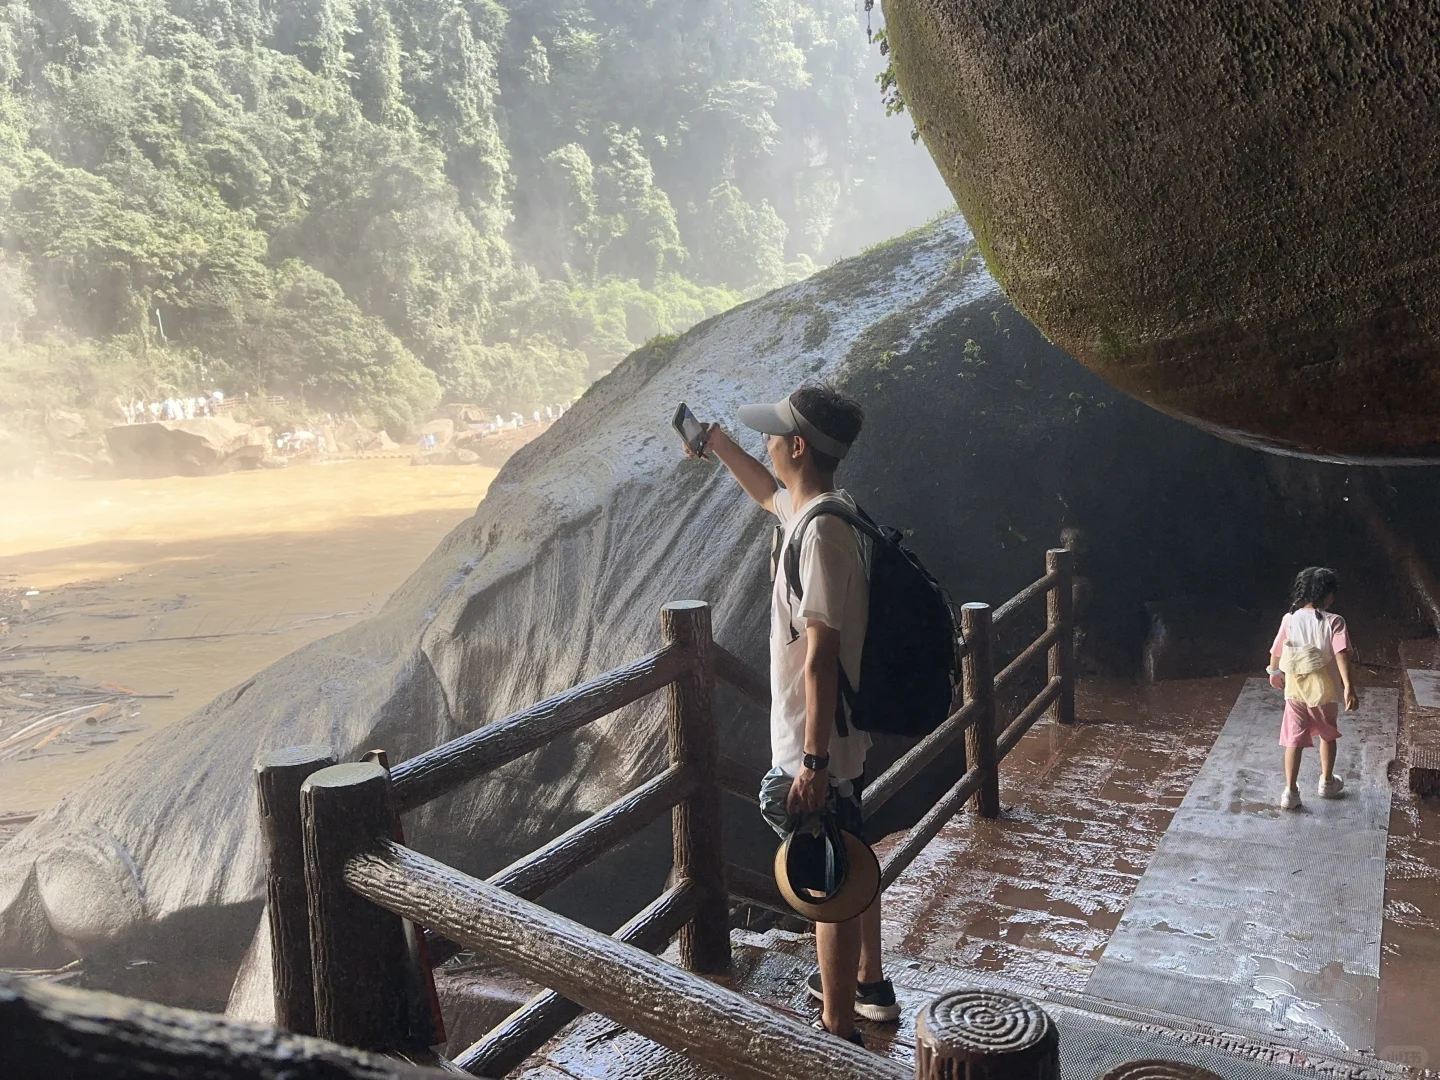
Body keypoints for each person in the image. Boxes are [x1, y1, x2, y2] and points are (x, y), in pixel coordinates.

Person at [689, 384, 898, 1046]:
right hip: (832, 736)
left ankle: (838, 1032)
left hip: (820, 739)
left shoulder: (823, 534)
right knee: (850, 851)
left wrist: (810, 760)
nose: (767, 445)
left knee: (824, 872)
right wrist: (717, 443)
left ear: (799, 447)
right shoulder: (814, 513)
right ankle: (868, 985)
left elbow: (822, 653)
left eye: (773, 436)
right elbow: (766, 493)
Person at [1267, 566, 1357, 809]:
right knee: (1328, 734)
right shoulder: (1334, 621)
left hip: (1295, 688)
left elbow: (1277, 650)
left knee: (1293, 738)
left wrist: (1274, 672)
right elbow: (1341, 655)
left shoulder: (1290, 619)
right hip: (1324, 690)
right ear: (1328, 596)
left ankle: (1290, 792)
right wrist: (1348, 686)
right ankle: (1327, 782)